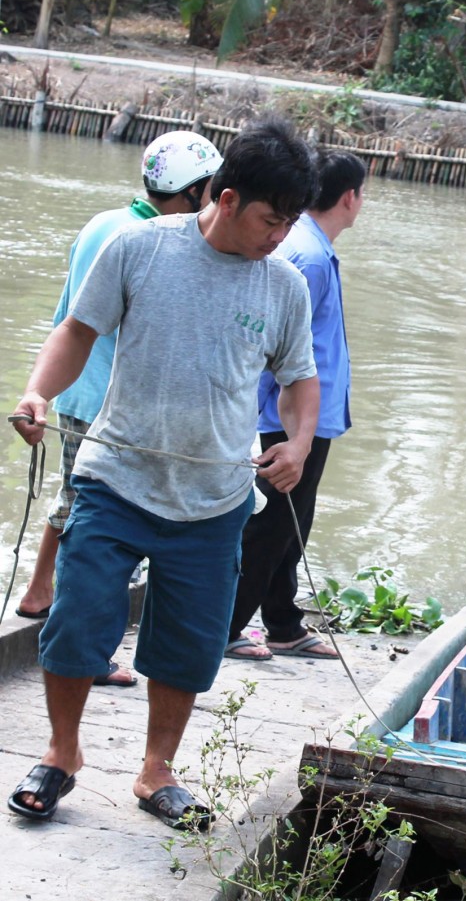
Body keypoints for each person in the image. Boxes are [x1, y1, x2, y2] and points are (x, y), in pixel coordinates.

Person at [6, 117, 320, 830]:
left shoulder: (285, 285)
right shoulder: (140, 248)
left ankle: (156, 772)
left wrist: (298, 442)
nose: (280, 236)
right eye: (272, 219)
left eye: (291, 223)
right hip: (116, 477)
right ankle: (61, 754)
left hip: (213, 500)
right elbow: (76, 331)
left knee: (187, 643)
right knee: (77, 620)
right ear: (228, 198)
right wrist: (37, 393)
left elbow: (301, 378)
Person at [15, 130, 223, 690]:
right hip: (115, 404)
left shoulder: (102, 223)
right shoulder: (152, 241)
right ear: (196, 190)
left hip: (75, 393)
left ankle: (38, 592)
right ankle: (82, 642)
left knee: (74, 496)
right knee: (105, 518)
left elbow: (69, 317)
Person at [225, 151, 366, 661]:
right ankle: (228, 624)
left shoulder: (312, 247)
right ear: (350, 197)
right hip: (285, 418)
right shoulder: (305, 255)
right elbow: (274, 343)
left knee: (293, 523)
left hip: (310, 416)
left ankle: (283, 623)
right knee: (271, 524)